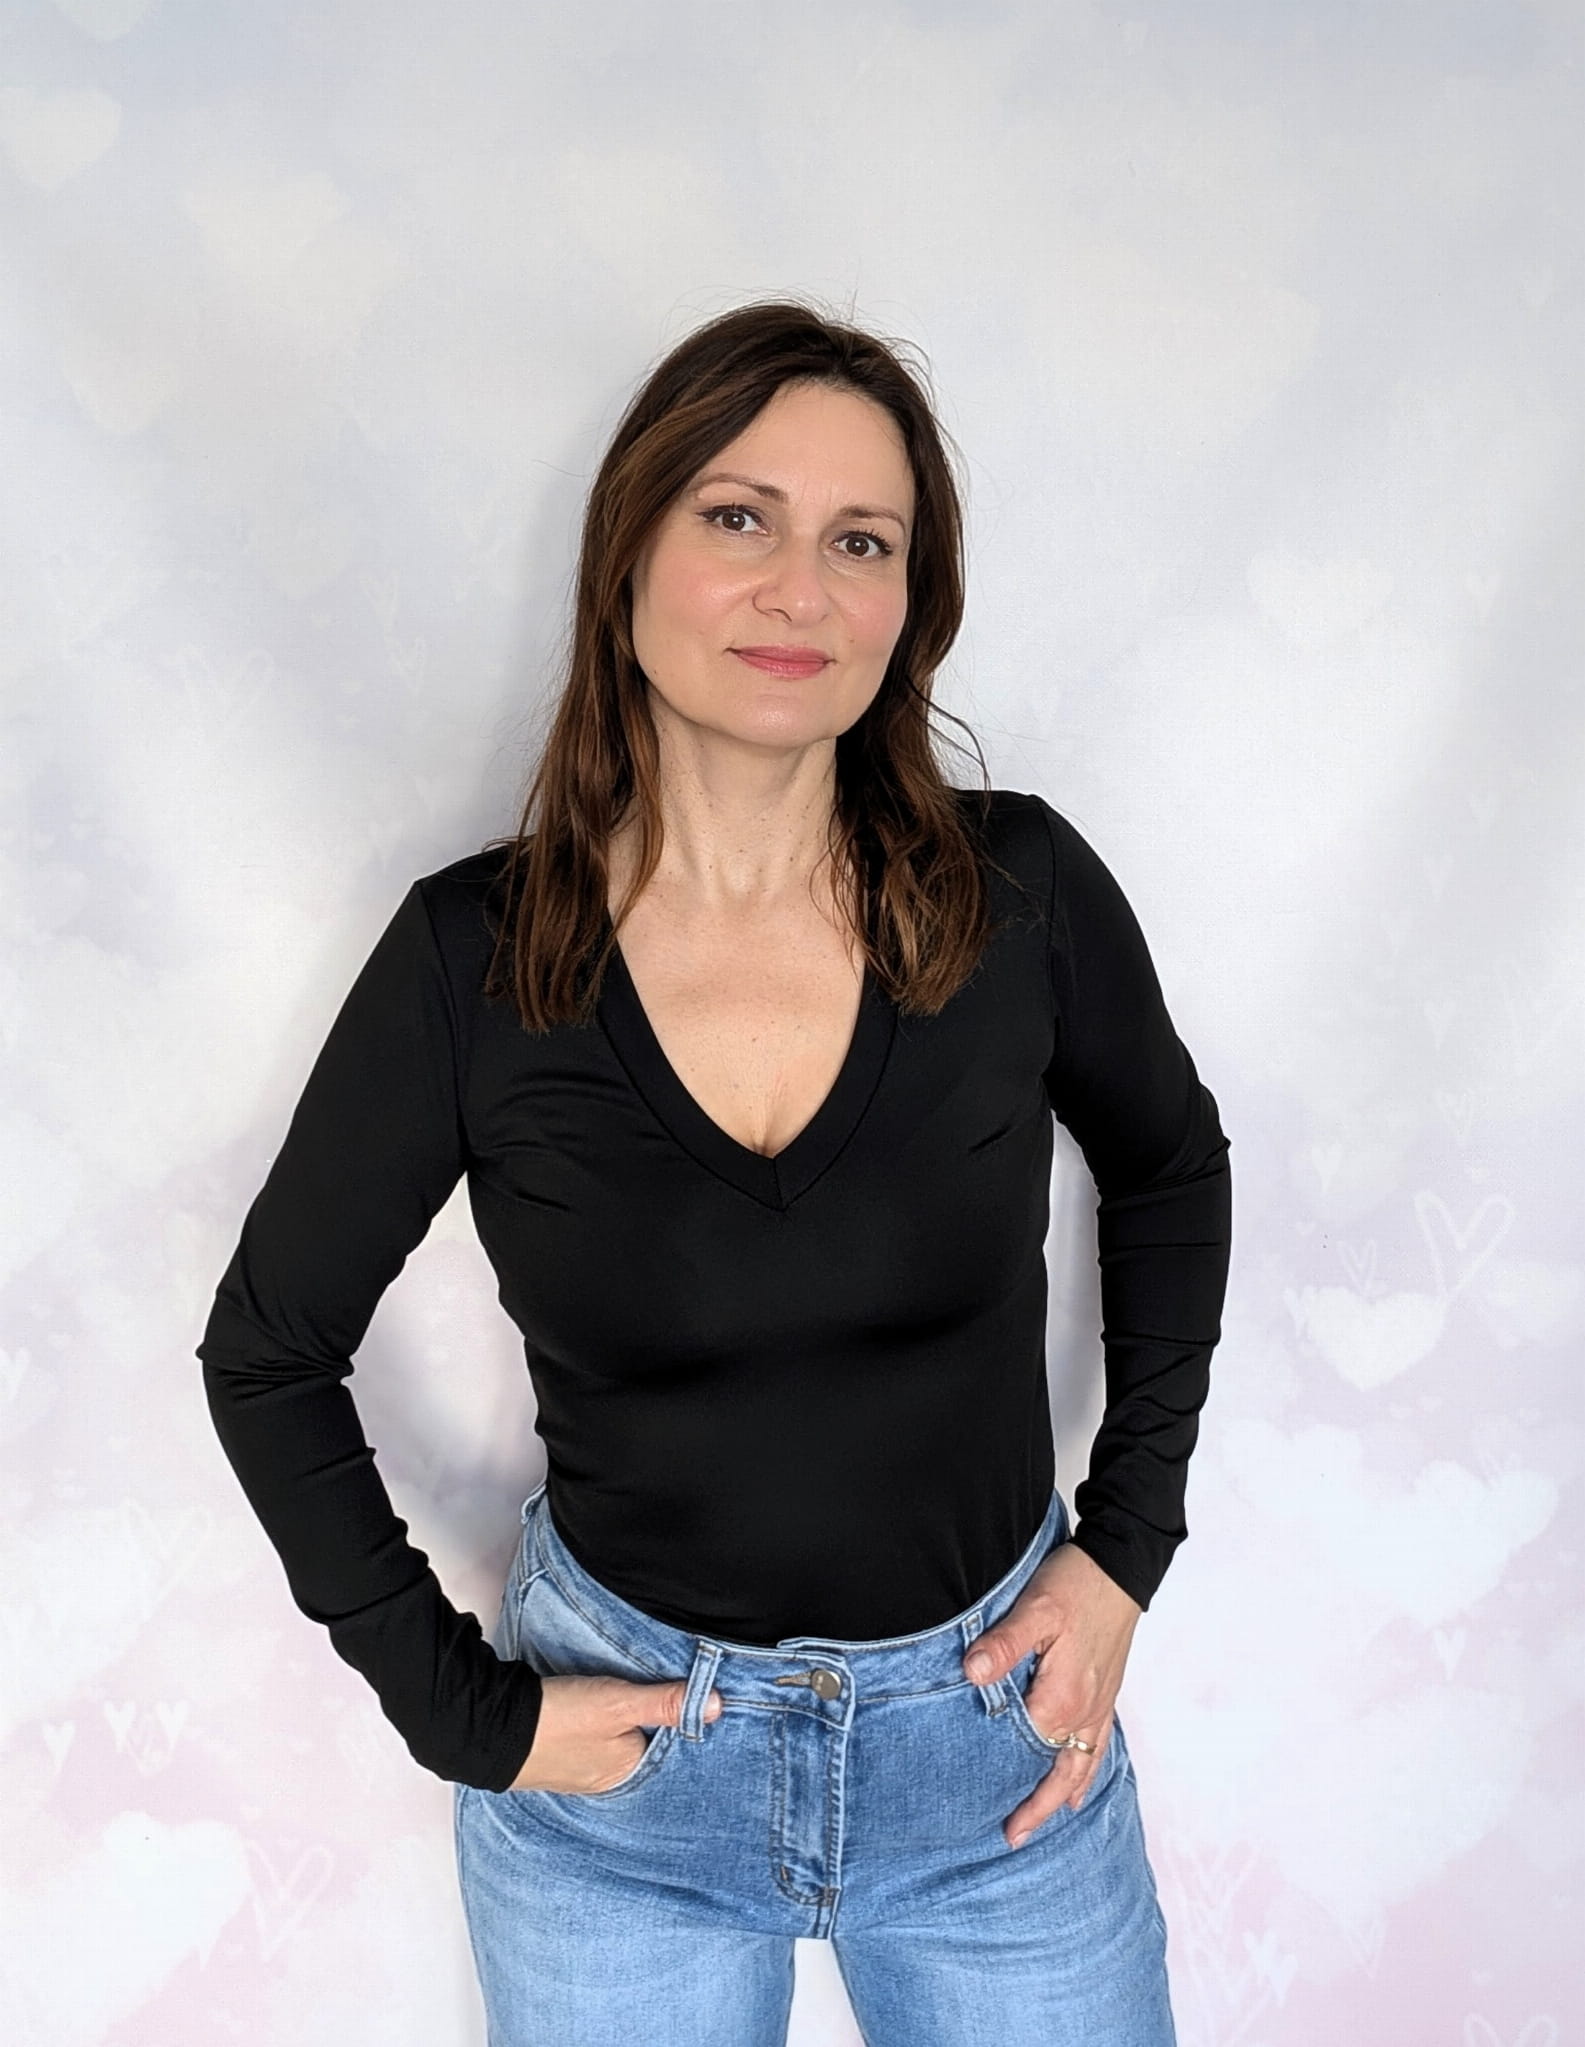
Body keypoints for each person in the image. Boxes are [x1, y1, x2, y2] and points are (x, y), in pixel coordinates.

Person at [198, 297, 1233, 2047]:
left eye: (860, 541)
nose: (797, 590)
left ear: (910, 604)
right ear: (629, 553)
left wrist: (1125, 1548)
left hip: (994, 1770)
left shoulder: (1022, 897)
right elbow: (267, 1352)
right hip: (621, 1800)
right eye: (739, 517)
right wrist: (461, 1714)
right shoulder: (472, 958)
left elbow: (1169, 1166)